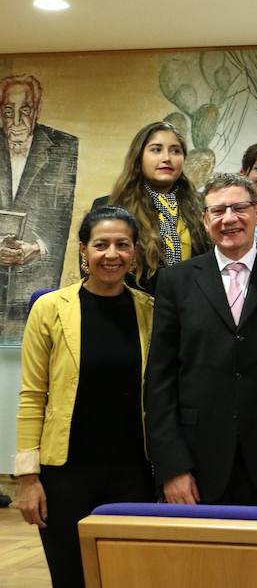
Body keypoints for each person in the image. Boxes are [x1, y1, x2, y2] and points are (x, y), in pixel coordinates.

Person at [144, 173, 257, 506]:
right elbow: (160, 381)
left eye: (239, 208)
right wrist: (172, 467)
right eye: (218, 210)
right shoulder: (175, 282)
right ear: (205, 219)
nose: (230, 219)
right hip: (197, 464)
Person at [15, 207, 154, 588]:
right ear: (83, 250)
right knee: (71, 576)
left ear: (135, 251)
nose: (112, 254)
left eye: (122, 245)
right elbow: (32, 396)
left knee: (127, 576)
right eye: (101, 244)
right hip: (65, 474)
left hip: (133, 473)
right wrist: (28, 479)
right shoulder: (49, 309)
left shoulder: (150, 312)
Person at [0, 74, 79, 337]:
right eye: (8, 111)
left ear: (37, 110)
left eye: (25, 111)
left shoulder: (63, 147)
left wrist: (38, 248)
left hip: (36, 286)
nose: (16, 122)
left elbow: (62, 218)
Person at [97, 121, 210, 293]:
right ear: (139, 156)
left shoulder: (202, 206)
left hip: (189, 312)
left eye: (175, 151)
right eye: (156, 149)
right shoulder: (109, 208)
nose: (167, 158)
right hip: (128, 312)